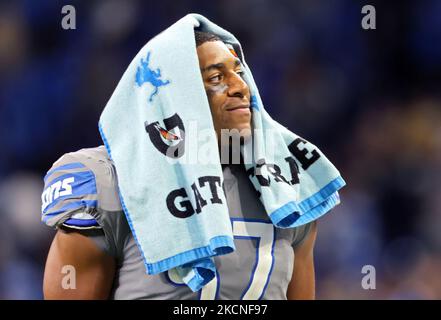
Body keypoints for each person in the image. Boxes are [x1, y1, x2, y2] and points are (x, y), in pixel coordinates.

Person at [42, 31, 318, 300]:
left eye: (239, 72)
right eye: (216, 77)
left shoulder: (284, 182)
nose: (240, 87)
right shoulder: (109, 181)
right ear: (171, 95)